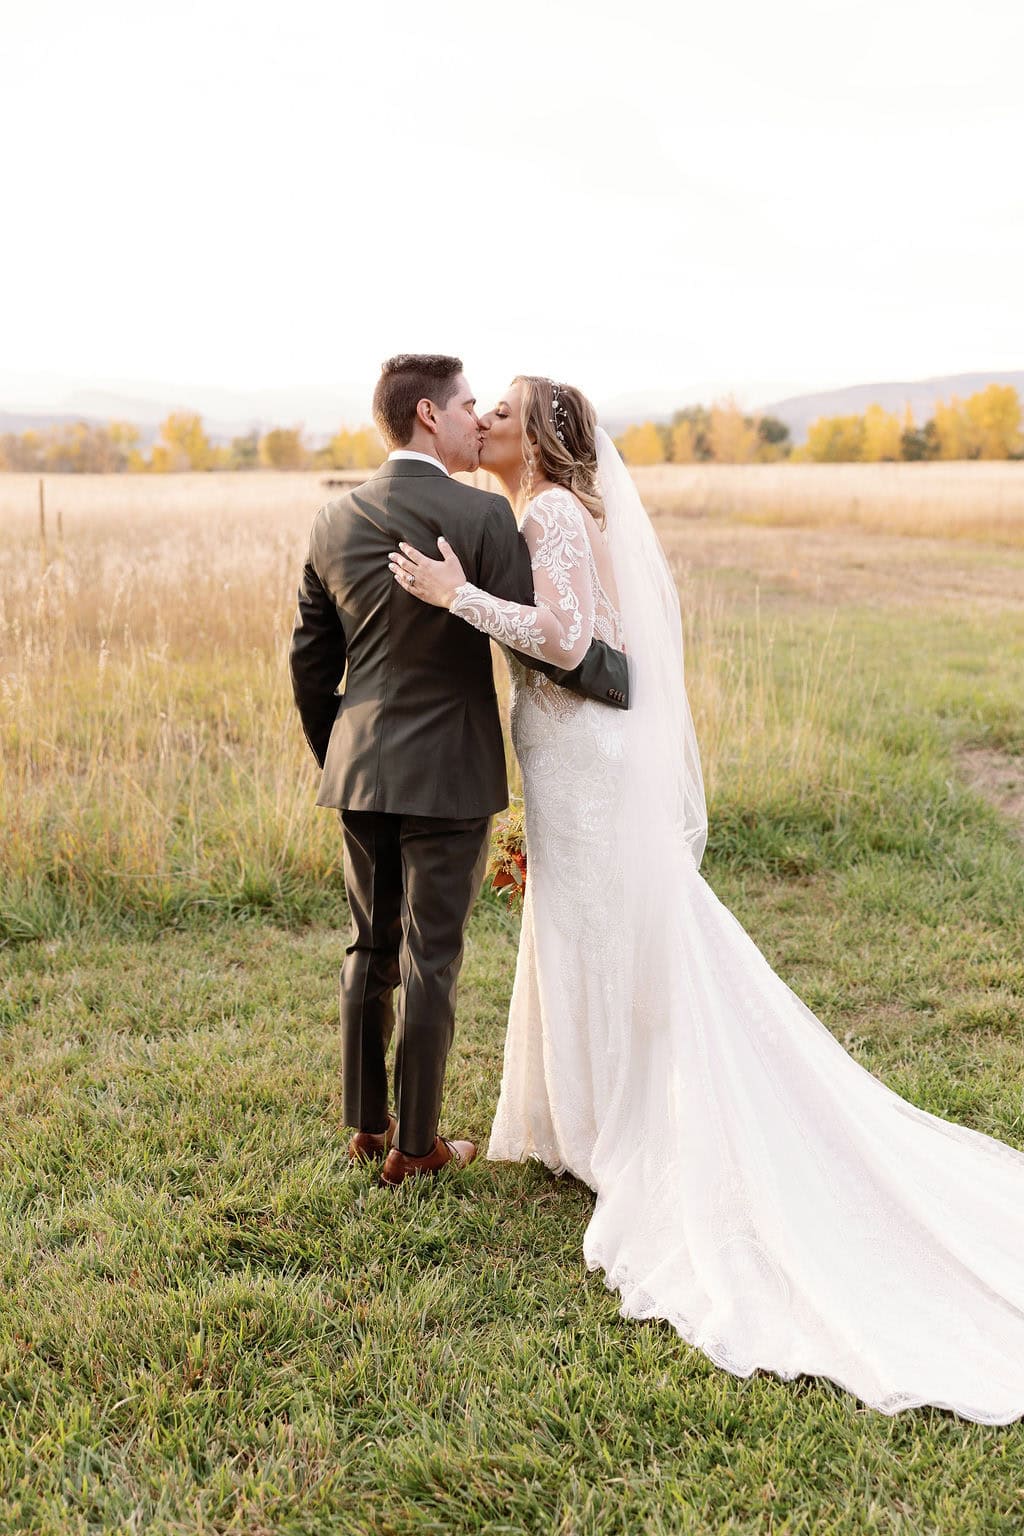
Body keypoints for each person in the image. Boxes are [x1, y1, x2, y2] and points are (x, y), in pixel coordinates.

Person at [388, 373, 1024, 1423]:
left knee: (602, 928)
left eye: (500, 411)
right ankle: (587, 1118)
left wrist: (454, 596)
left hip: (581, 762)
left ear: (539, 435)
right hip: (576, 757)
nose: (484, 421)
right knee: (595, 927)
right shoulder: (563, 508)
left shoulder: (548, 508)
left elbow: (561, 639)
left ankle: (612, 1126)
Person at [288, 355, 628, 1188]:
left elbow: (308, 659)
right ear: (430, 416)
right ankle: (418, 1147)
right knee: (429, 955)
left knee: (369, 945)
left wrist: (343, 746)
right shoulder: (480, 516)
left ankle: (367, 1128)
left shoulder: (333, 521)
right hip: (452, 771)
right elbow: (542, 641)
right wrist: (616, 676)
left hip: (360, 768)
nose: (478, 417)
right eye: (469, 404)